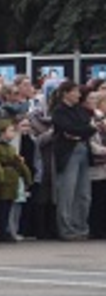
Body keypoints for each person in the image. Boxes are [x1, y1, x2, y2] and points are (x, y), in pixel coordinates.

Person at [49, 81, 94, 241]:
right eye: (75, 92)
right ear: (65, 93)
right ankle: (66, 229)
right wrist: (83, 130)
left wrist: (83, 131)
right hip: (68, 152)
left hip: (82, 149)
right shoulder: (59, 111)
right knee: (67, 192)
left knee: (83, 194)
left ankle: (81, 226)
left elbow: (86, 126)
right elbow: (69, 128)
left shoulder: (80, 110)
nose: (78, 95)